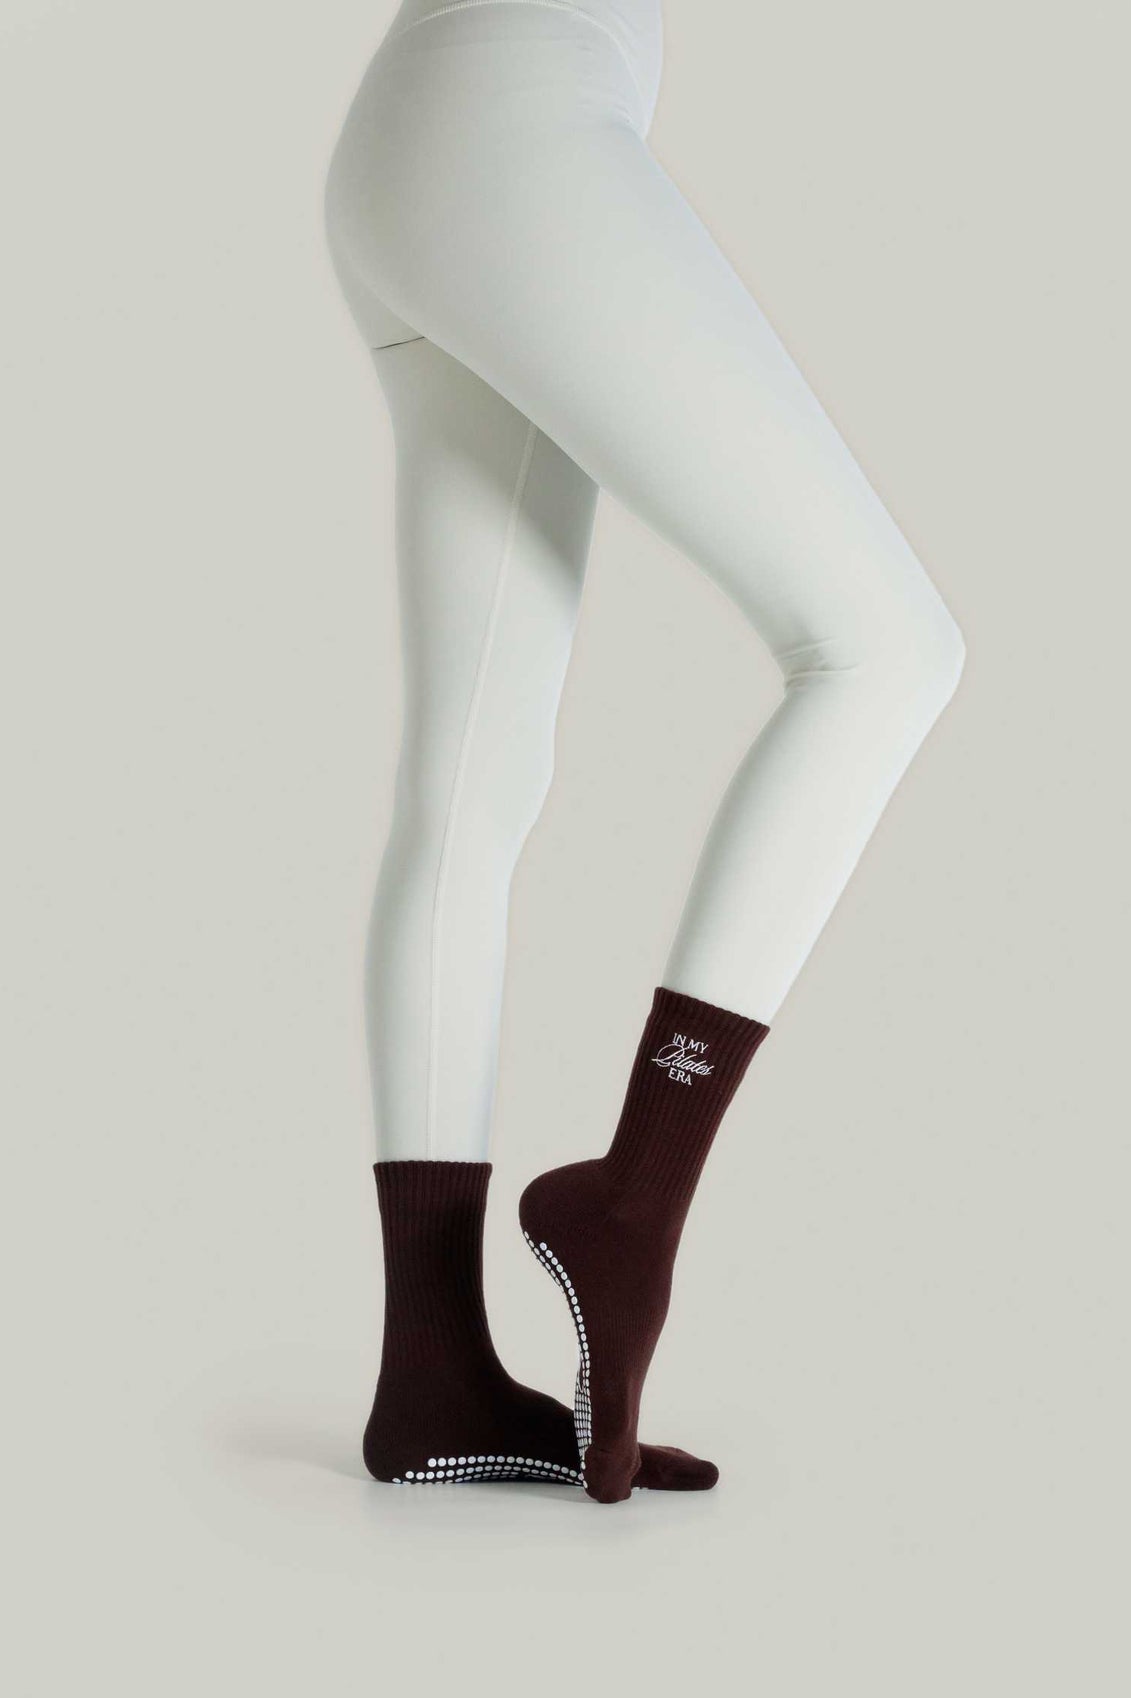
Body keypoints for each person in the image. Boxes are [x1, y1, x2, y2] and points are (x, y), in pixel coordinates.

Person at [324, 0, 965, 1503]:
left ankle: (431, 1372)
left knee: (468, 791)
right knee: (886, 651)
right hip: (517, 115)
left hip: (420, 136)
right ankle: (634, 1203)